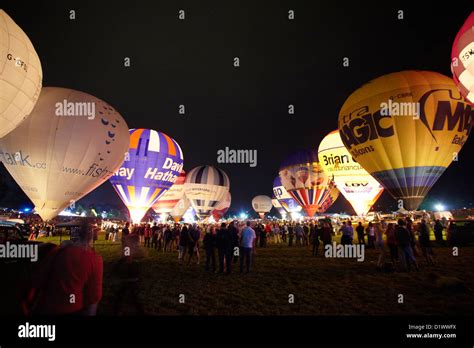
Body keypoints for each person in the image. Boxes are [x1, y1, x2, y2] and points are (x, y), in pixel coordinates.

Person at [25, 219, 103, 315]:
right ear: (92, 235)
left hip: (48, 306)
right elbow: (94, 297)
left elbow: (39, 279)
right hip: (74, 308)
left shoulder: (57, 251)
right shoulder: (95, 259)